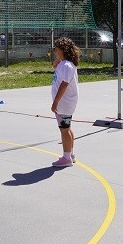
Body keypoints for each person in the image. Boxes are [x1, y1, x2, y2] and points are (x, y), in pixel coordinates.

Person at [51, 37, 80, 167]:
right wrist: (58, 59)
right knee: (67, 128)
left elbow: (64, 84)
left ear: (62, 50)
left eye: (56, 49)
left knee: (64, 130)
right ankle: (70, 154)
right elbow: (54, 65)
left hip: (64, 102)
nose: (54, 51)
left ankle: (66, 158)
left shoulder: (67, 65)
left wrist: (55, 102)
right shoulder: (63, 63)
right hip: (64, 102)